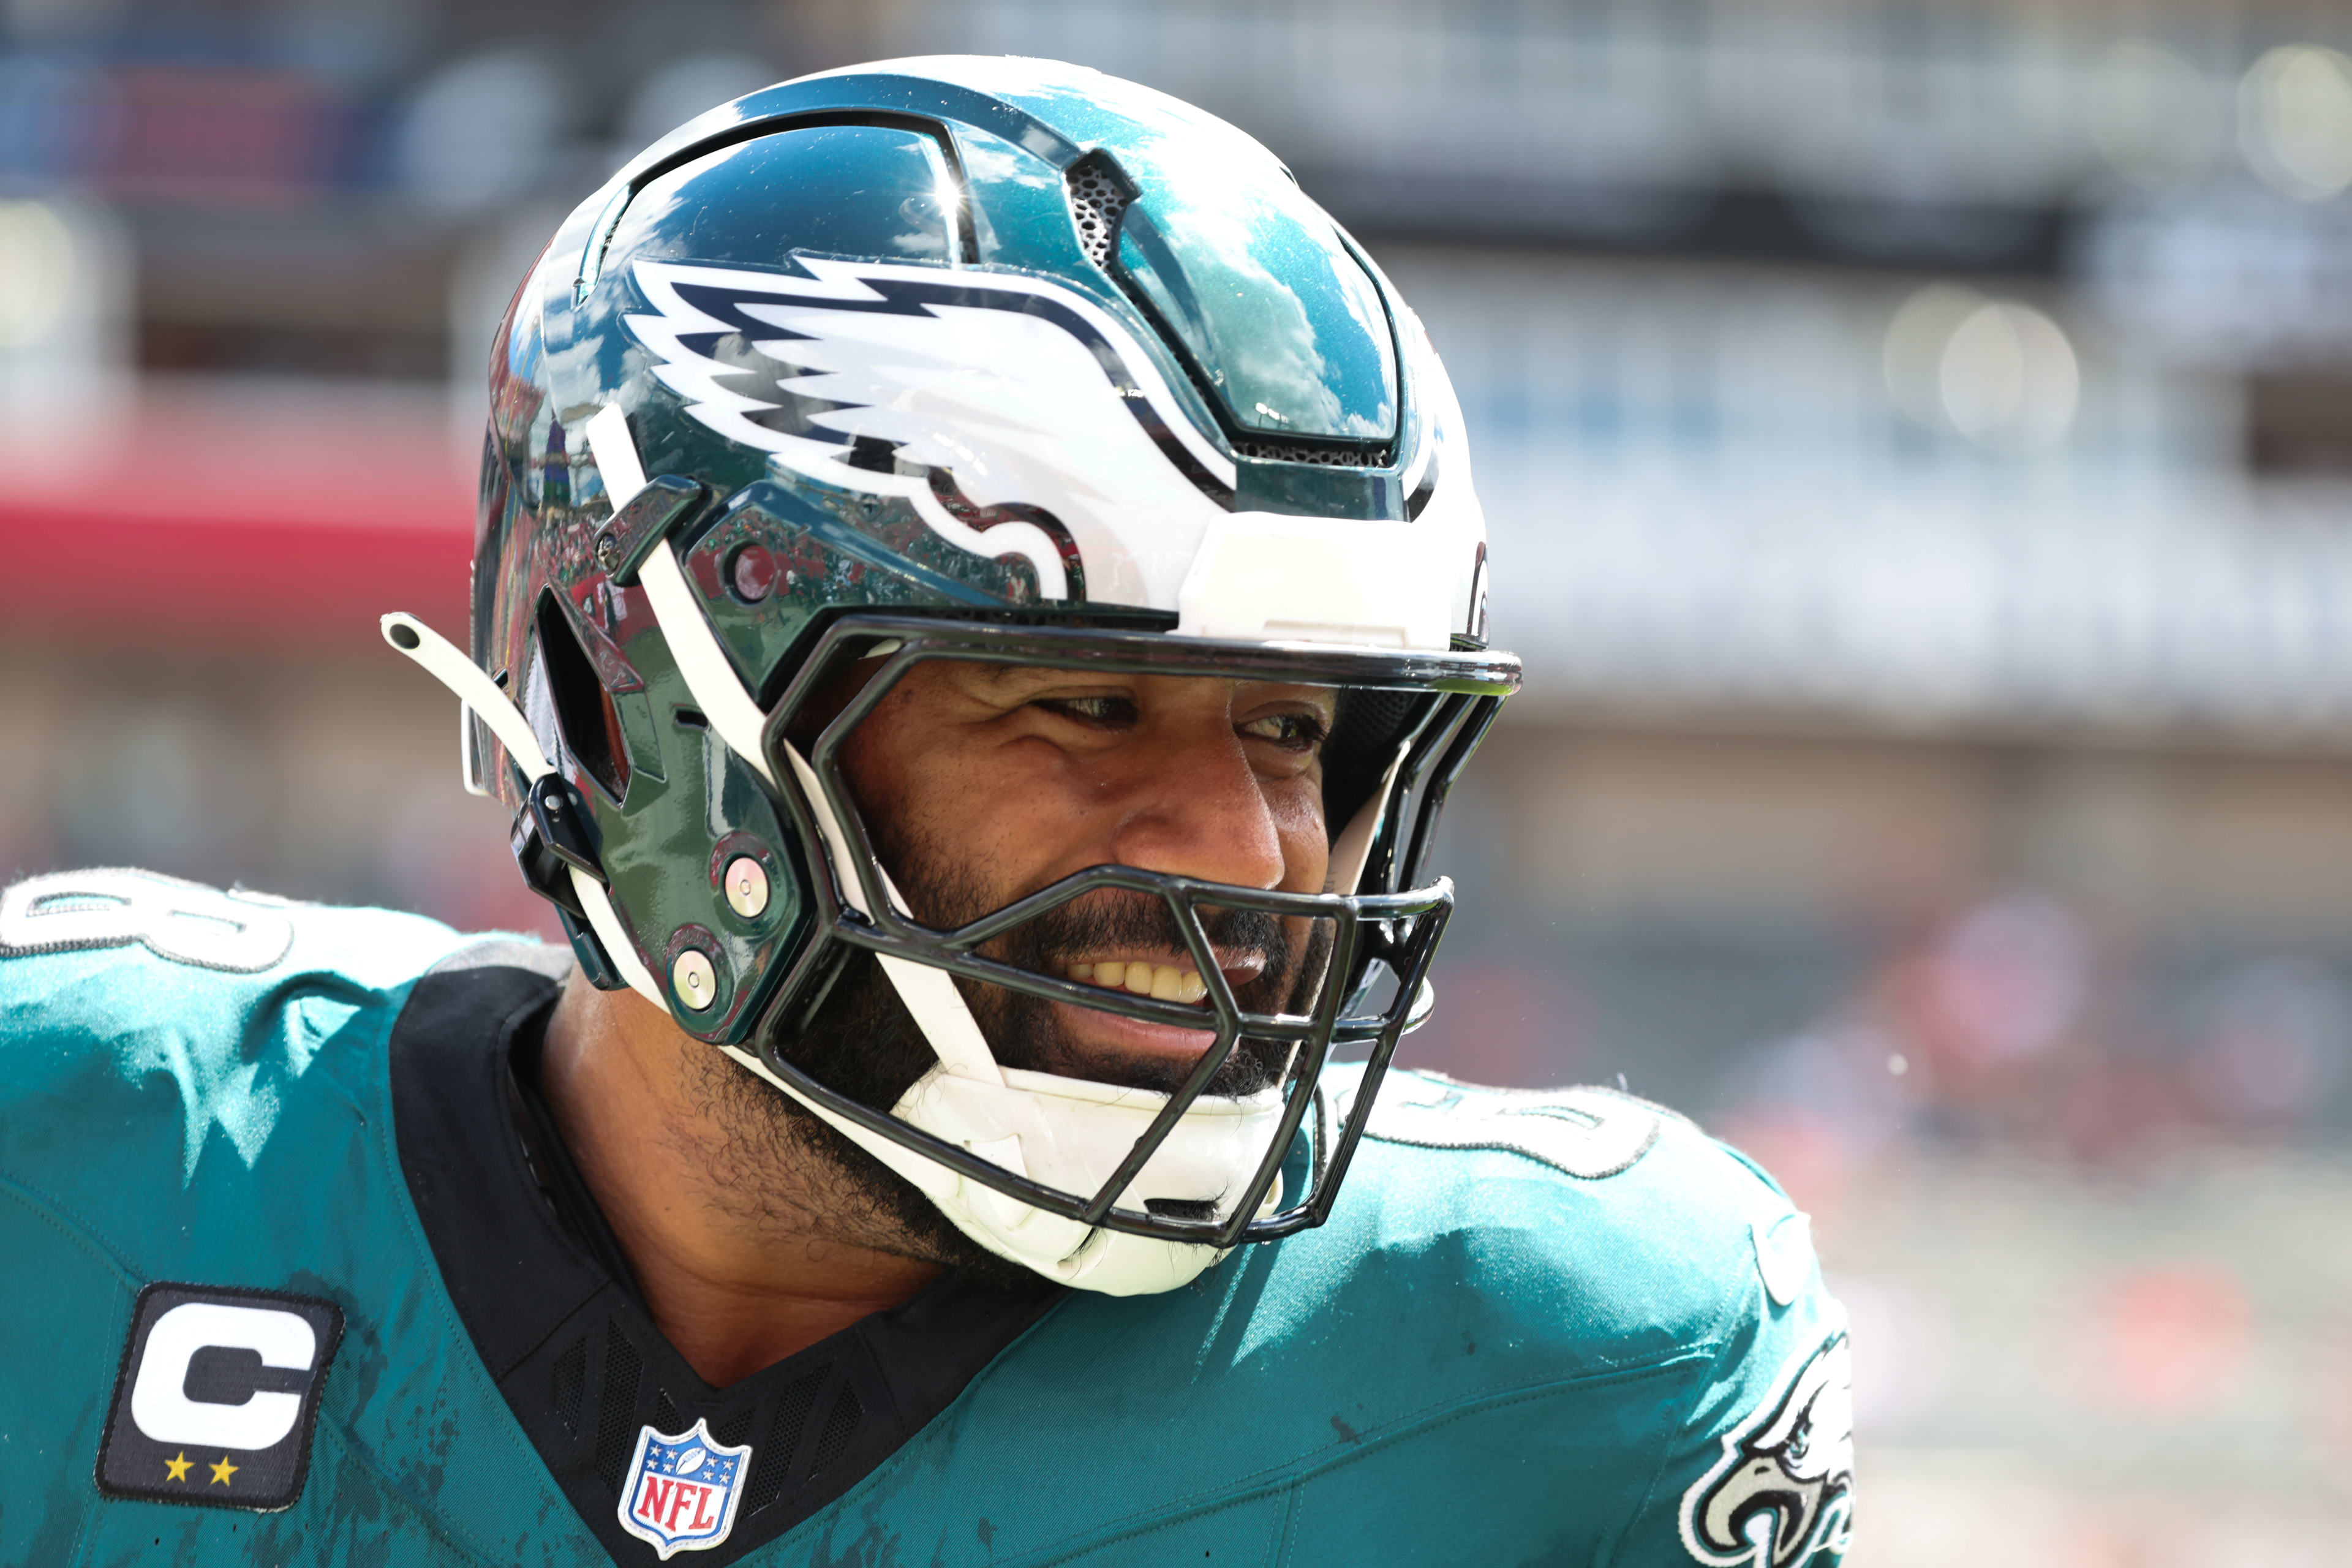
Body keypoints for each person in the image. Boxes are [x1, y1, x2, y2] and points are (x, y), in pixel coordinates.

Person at [0, 56, 1849, 1567]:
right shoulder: (78, 1143)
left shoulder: (1569, 1371)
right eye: (1088, 703)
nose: (1252, 848)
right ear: (657, 715)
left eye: (1293, 730)